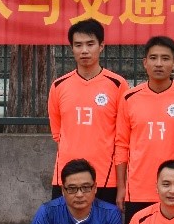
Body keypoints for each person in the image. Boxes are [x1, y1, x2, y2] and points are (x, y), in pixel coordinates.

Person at [115, 36, 174, 224]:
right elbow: (121, 145)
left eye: (165, 58)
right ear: (145, 62)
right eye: (153, 58)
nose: (159, 63)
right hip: (138, 189)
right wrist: (121, 187)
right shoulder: (129, 98)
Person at [47, 20, 127, 204]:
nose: (84, 50)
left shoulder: (118, 85)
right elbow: (58, 134)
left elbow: (122, 137)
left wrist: (122, 184)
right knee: (63, 223)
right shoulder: (59, 86)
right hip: (67, 178)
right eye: (78, 45)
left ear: (101, 46)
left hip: (106, 178)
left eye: (90, 44)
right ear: (72, 48)